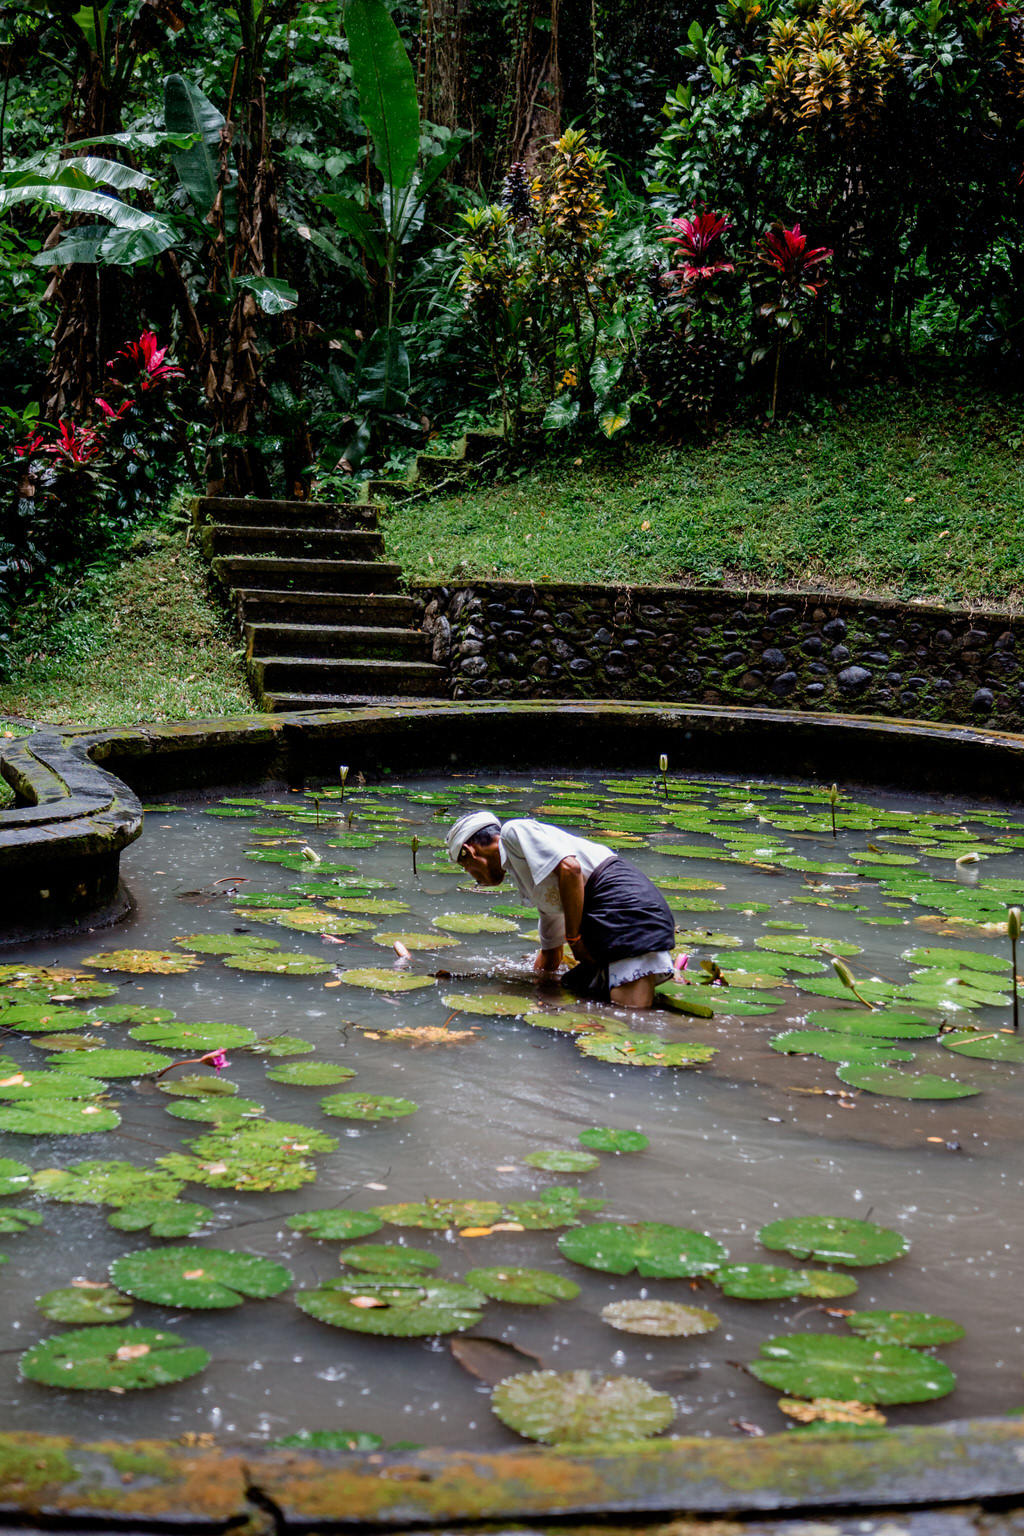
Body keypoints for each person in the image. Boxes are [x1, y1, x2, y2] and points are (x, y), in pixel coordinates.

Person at [446, 811, 676, 1009]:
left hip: (624, 910)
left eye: (465, 867)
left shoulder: (513, 833)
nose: (472, 875)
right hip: (608, 919)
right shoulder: (528, 872)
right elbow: (550, 951)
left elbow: (571, 869)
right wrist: (531, 986)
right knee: (575, 987)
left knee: (629, 1018)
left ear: (469, 851)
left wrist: (574, 940)